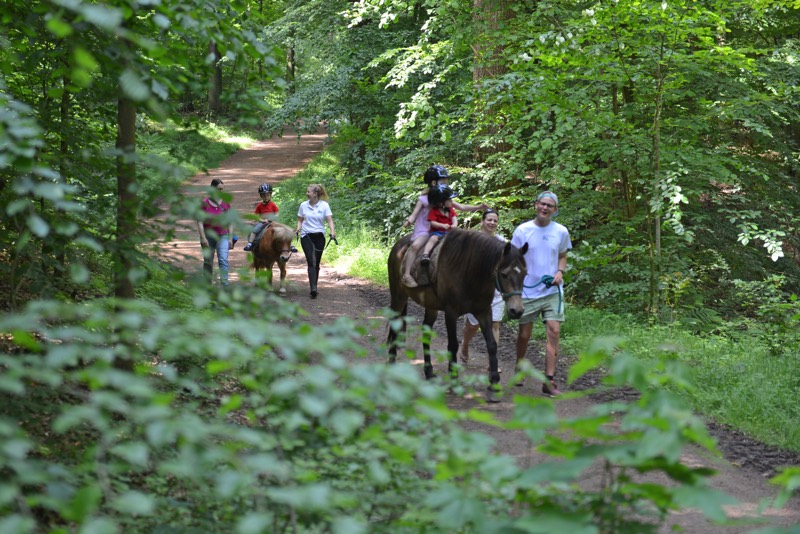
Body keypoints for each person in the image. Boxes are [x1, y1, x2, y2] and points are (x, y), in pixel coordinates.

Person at [511, 191, 572, 397]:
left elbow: (562, 256)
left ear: (555, 210)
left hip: (552, 290)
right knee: (524, 335)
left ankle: (549, 380)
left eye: (550, 206)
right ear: (536, 204)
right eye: (542, 204)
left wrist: (560, 271)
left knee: (554, 331)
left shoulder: (561, 231)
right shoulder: (522, 230)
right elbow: (512, 259)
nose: (545, 208)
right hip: (528, 291)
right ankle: (519, 367)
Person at [401, 164, 488, 287]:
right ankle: (407, 274)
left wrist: (478, 207)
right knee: (415, 246)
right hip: (426, 229)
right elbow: (414, 214)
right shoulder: (424, 199)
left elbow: (461, 207)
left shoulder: (444, 197)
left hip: (443, 228)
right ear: (433, 182)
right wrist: (409, 221)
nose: (446, 183)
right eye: (443, 181)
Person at [460, 209, 506, 369]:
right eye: (489, 220)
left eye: (495, 220)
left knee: (495, 324)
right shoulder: (471, 240)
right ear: (482, 221)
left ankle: (492, 362)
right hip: (475, 291)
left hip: (495, 291)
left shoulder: (501, 242)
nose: (492, 223)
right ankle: (465, 345)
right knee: (473, 326)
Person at [295, 183, 336, 299]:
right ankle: (313, 288)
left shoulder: (324, 206)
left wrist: (332, 232)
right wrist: (298, 229)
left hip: (319, 236)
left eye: (309, 192)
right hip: (306, 235)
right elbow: (300, 220)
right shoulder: (303, 205)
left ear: (315, 194)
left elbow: (329, 220)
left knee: (316, 261)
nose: (306, 193)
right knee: (311, 260)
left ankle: (315, 284)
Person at [197, 178, 234, 287]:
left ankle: (224, 286)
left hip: (223, 235)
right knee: (208, 262)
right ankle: (207, 286)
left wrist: (230, 237)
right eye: (219, 189)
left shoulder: (226, 203)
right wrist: (203, 237)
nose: (221, 192)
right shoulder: (204, 203)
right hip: (208, 236)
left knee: (223, 260)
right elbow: (199, 221)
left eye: (222, 190)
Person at [419, 184, 457, 264]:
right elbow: (433, 223)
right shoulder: (434, 211)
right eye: (449, 199)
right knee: (433, 239)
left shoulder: (450, 210)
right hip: (438, 232)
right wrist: (442, 225)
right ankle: (425, 254)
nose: (451, 201)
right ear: (441, 202)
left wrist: (454, 225)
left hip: (450, 232)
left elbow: (454, 219)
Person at [242, 182, 279, 251]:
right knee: (254, 231)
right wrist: (262, 220)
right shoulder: (259, 205)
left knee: (282, 230)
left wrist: (273, 218)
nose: (266, 197)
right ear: (261, 196)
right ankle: (250, 244)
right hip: (263, 222)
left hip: (272, 221)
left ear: (270, 195)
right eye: (264, 196)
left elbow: (276, 213)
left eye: (267, 195)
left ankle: (290, 245)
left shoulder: (273, 204)